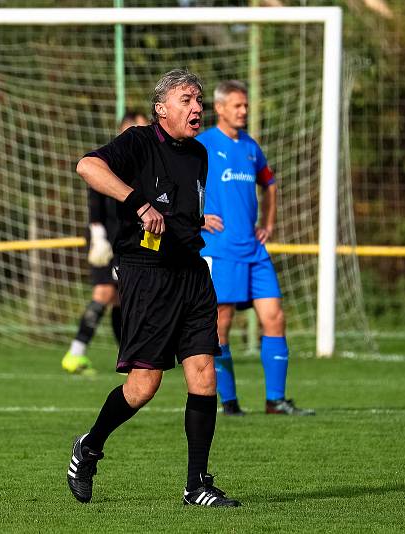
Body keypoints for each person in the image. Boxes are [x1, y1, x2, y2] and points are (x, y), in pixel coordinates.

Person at [66, 69, 240, 507]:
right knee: (145, 386)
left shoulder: (200, 154)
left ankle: (196, 484)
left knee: (203, 375)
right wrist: (137, 203)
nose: (196, 107)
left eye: (198, 99)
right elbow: (87, 165)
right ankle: (89, 447)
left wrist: (197, 222)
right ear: (161, 108)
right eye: (186, 99)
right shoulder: (139, 141)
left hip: (192, 274)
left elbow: (178, 208)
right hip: (147, 274)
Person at [198, 80, 314, 417]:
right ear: (219, 108)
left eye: (245, 105)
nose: (243, 111)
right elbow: (178, 183)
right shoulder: (202, 145)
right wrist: (198, 216)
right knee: (220, 324)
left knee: (275, 317)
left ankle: (275, 400)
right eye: (237, 105)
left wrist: (270, 224)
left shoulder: (250, 146)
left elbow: (270, 183)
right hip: (220, 249)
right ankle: (229, 402)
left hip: (254, 249)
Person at [62, 111, 149, 376]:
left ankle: (126, 358)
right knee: (103, 293)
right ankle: (74, 354)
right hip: (105, 241)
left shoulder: (145, 165)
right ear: (122, 130)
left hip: (127, 240)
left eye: (142, 128)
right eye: (132, 128)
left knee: (121, 299)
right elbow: (95, 200)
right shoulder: (110, 159)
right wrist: (98, 237)